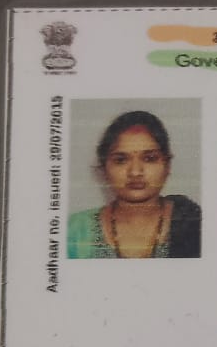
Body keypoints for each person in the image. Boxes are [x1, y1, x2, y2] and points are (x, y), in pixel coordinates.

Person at [67, 110, 201, 258]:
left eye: (149, 158)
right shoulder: (73, 231)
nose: (135, 172)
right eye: (121, 160)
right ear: (104, 168)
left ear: (167, 165)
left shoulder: (195, 224)